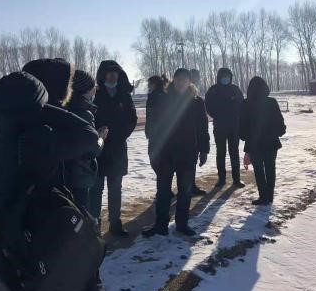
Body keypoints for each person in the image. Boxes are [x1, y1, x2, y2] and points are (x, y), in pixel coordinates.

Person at [0, 71, 105, 291]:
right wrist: (49, 111)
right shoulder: (42, 140)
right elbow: (90, 137)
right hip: (39, 245)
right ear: (37, 107)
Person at [143, 68, 210, 237]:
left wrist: (204, 150)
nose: (181, 82)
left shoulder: (197, 102)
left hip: (188, 153)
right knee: (163, 191)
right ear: (174, 80)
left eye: (184, 79)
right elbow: (155, 125)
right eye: (178, 79)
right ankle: (160, 225)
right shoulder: (163, 100)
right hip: (166, 153)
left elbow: (202, 128)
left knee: (185, 191)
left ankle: (182, 224)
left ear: (189, 82)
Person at [91, 60, 138, 237]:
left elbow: (132, 119)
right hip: (98, 149)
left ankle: (115, 223)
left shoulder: (124, 95)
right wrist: (97, 135)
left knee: (115, 189)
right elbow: (88, 118)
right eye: (109, 72)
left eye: (115, 72)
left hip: (117, 148)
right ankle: (94, 225)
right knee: (95, 190)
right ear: (103, 75)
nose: (112, 76)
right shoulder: (95, 94)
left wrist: (120, 135)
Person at [239, 76, 286, 205]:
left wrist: (244, 136)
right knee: (270, 168)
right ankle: (269, 196)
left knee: (259, 170)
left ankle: (263, 196)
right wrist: (279, 131)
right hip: (271, 142)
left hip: (254, 143)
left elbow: (242, 125)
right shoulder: (271, 102)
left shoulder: (246, 103)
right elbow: (279, 122)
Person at [65, 69, 107, 212]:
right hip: (80, 175)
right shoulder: (84, 114)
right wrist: (101, 138)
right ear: (85, 90)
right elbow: (93, 150)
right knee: (82, 214)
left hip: (65, 175)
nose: (95, 91)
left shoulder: (63, 108)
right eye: (93, 87)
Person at [205, 68, 245, 188]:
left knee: (234, 152)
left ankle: (236, 179)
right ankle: (221, 179)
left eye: (227, 76)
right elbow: (208, 105)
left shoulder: (235, 89)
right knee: (220, 153)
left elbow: (242, 104)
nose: (225, 78)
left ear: (230, 77)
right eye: (223, 76)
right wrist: (218, 114)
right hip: (219, 126)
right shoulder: (213, 90)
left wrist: (236, 112)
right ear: (219, 77)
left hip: (234, 126)